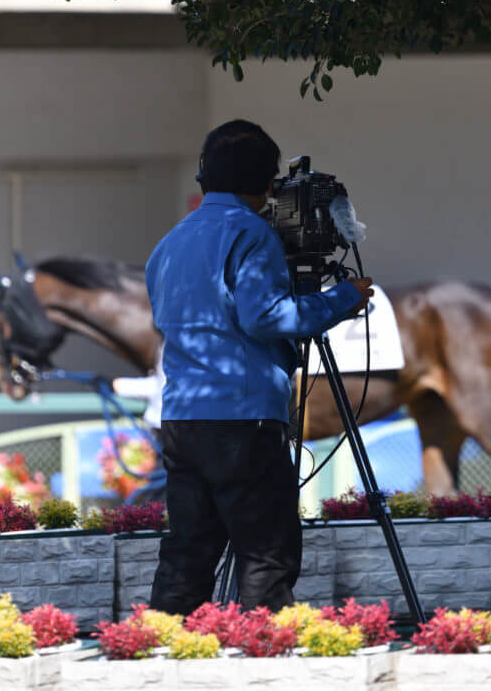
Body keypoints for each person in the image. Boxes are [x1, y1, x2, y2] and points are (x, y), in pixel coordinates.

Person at [144, 119, 373, 614]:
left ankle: (157, 649)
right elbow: (269, 317)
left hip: (182, 419)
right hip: (243, 419)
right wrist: (341, 300)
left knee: (187, 550)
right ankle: (261, 650)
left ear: (204, 176)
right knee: (266, 551)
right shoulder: (252, 234)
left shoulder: (168, 243)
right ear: (266, 184)